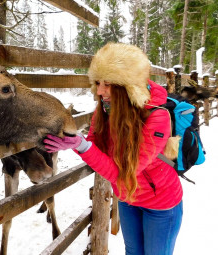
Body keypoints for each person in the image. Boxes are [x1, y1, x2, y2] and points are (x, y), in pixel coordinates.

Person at [44, 43, 183, 255]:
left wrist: (81, 146)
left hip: (161, 204)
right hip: (128, 199)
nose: (99, 91)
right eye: (98, 83)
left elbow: (123, 173)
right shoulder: (106, 109)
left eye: (107, 84)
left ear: (127, 85)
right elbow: (94, 147)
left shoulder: (157, 116)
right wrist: (71, 141)